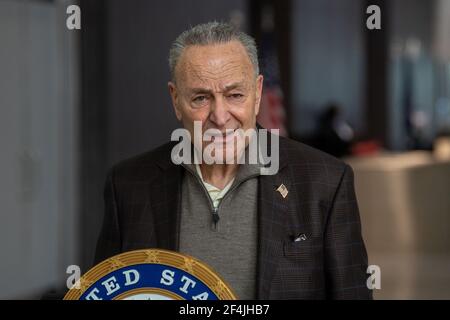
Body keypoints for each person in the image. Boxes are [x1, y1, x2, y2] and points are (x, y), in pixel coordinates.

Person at [95, 21, 372, 300]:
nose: (220, 115)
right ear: (176, 100)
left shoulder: (325, 181)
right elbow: (106, 292)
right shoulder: (128, 185)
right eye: (201, 98)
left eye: (235, 95)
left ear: (257, 92)